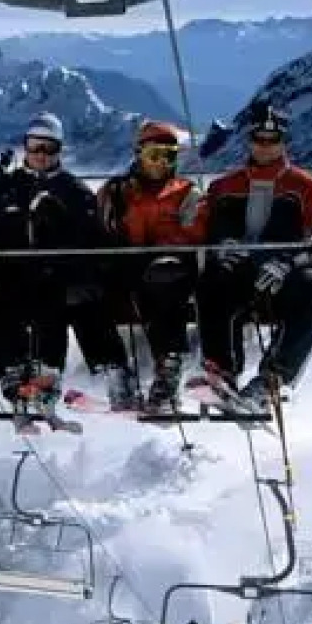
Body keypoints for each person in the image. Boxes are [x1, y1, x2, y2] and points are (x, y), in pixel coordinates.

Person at [194, 101, 312, 409]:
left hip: (283, 270)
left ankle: (273, 378)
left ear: (283, 143)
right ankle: (221, 370)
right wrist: (221, 245)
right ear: (249, 141)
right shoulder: (225, 186)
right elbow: (204, 227)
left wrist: (296, 261)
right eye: (258, 140)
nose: (265, 147)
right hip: (238, 269)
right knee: (211, 284)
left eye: (273, 141)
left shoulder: (303, 186)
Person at [0, 112, 138, 410]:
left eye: (48, 148)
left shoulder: (75, 192)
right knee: (9, 302)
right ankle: (17, 375)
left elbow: (94, 240)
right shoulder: (7, 187)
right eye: (35, 147)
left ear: (59, 151)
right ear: (25, 147)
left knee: (82, 302)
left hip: (65, 275)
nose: (41, 155)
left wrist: (63, 226)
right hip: (18, 276)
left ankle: (113, 376)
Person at [97, 119, 204, 410]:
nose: (159, 164)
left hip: (170, 266)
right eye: (152, 155)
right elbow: (100, 228)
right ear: (139, 155)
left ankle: (168, 371)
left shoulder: (186, 193)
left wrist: (158, 246)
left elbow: (194, 232)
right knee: (92, 292)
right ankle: (116, 370)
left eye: (167, 156)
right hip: (127, 264)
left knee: (161, 282)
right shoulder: (117, 191)